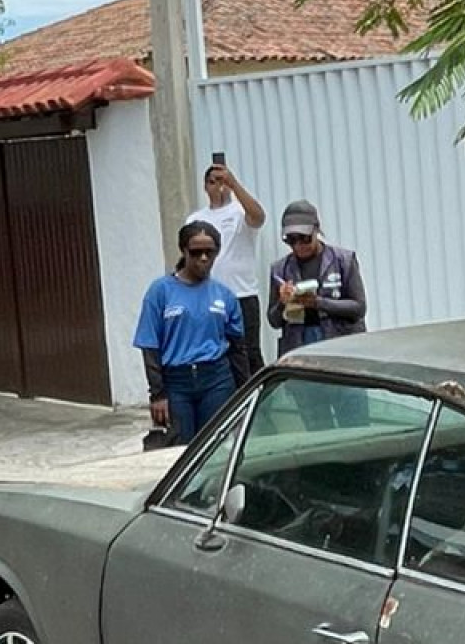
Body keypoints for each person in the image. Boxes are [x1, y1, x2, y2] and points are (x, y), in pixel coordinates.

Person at [134, 219, 249, 443]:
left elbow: (238, 348)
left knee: (214, 444)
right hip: (177, 383)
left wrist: (244, 390)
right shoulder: (160, 291)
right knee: (181, 447)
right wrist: (157, 394)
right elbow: (150, 346)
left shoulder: (224, 295)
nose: (203, 258)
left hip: (216, 379)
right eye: (196, 252)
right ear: (184, 251)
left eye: (210, 252)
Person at [193, 156, 268, 372]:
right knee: (217, 352)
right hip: (209, 297)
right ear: (205, 187)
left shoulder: (240, 212)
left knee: (249, 352)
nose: (218, 186)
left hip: (242, 294)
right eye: (212, 182)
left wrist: (234, 184)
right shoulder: (196, 219)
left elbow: (259, 217)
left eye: (222, 181)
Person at [267, 199, 367, 356]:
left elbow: (359, 308)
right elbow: (274, 321)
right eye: (291, 239)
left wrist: (318, 303)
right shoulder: (280, 269)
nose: (298, 245)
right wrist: (282, 302)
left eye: (304, 238)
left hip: (341, 343)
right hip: (299, 345)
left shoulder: (344, 260)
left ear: (316, 231)